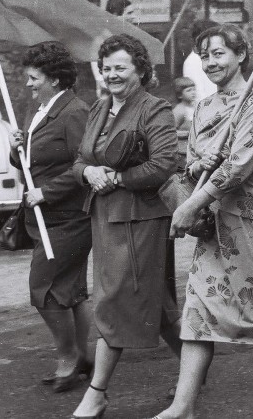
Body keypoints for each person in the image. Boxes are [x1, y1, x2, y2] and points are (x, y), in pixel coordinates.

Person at [154, 24, 253, 419]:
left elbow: (239, 168)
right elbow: (191, 166)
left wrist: (192, 205)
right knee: (199, 312)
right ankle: (183, 406)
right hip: (214, 229)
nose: (210, 63)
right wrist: (196, 164)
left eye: (219, 53)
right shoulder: (205, 109)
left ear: (240, 56)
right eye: (204, 55)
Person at [70, 34, 180, 419]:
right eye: (107, 68)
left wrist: (116, 178)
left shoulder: (155, 108)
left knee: (113, 299)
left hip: (140, 219)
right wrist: (89, 171)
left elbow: (164, 163)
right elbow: (78, 161)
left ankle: (96, 393)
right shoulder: (99, 108)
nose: (112, 75)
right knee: (158, 305)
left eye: (120, 67)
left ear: (140, 70)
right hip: (104, 218)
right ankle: (194, 370)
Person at [7, 42, 94, 393]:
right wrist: (17, 148)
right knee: (69, 291)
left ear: (55, 80)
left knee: (42, 289)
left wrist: (48, 192)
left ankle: (68, 356)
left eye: (33, 78)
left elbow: (84, 165)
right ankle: (84, 357)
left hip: (68, 218)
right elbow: (33, 163)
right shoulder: (42, 109)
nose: (28, 84)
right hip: (47, 219)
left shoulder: (75, 112)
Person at [172, 76, 197, 171]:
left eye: (194, 89)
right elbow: (171, 132)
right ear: (180, 95)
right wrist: (186, 133)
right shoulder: (179, 110)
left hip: (194, 147)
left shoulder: (196, 106)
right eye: (189, 90)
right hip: (183, 150)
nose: (193, 92)